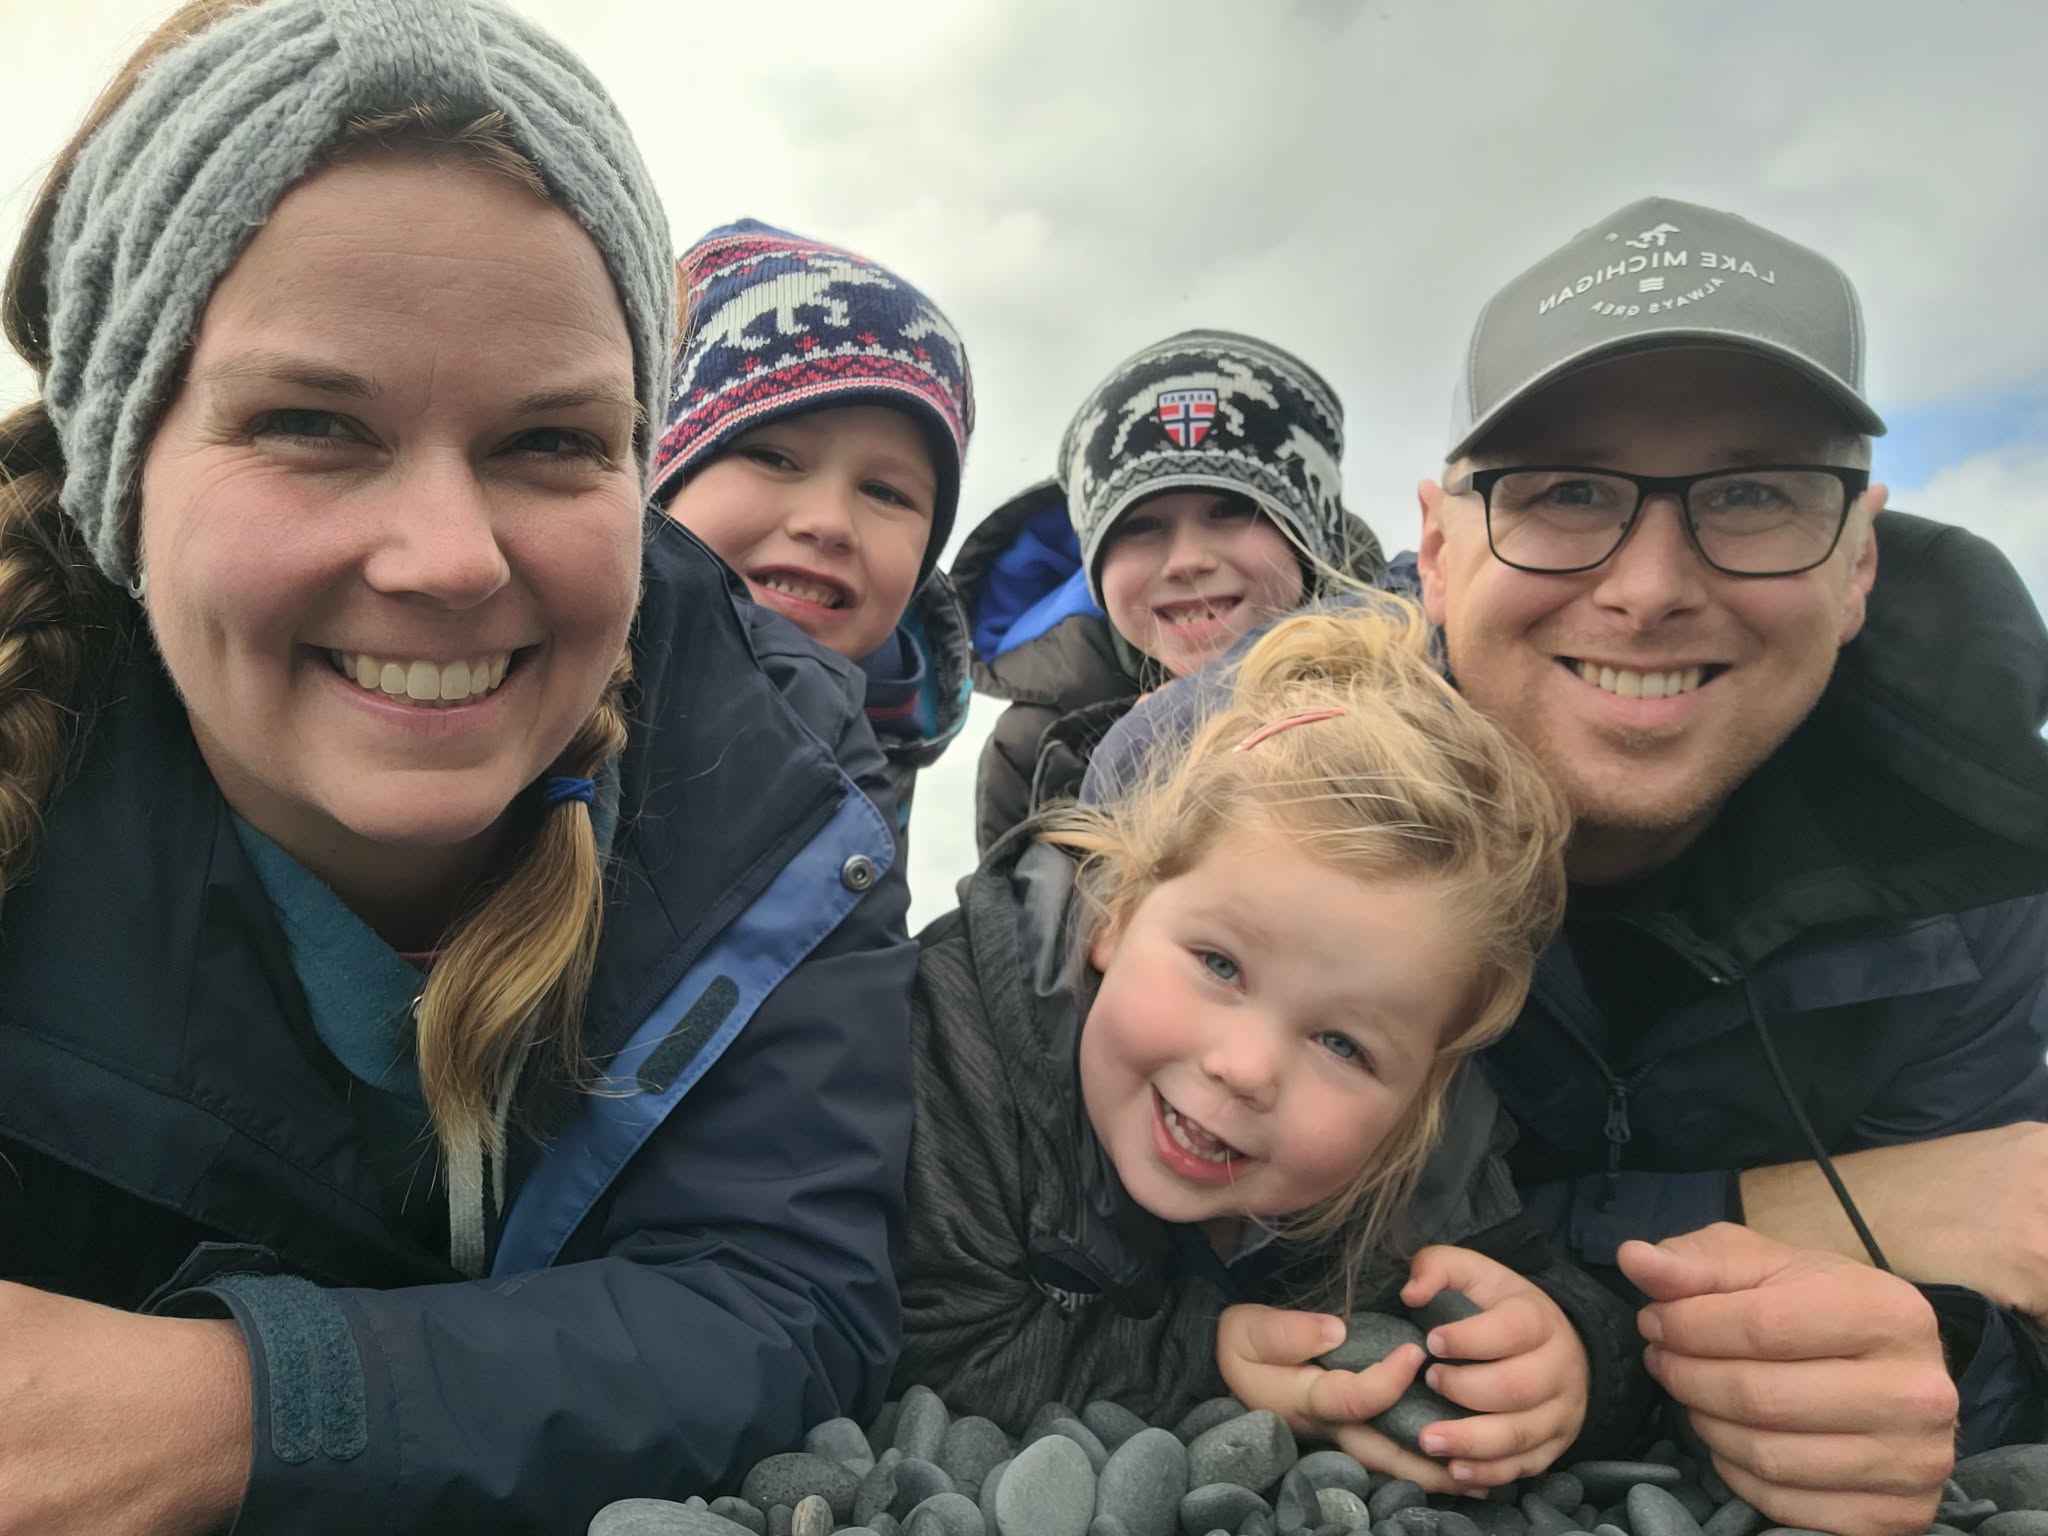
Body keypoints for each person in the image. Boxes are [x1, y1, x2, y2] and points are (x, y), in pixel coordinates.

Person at [0, 2, 913, 1530]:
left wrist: (223, 1413)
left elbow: (785, 1295)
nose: (447, 558)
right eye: (311, 423)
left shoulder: (782, 780)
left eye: (552, 442)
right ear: (119, 468)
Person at [1088, 196, 2048, 1535]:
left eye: (1756, 492)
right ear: (1435, 547)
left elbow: (2013, 1272)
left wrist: (1935, 1352)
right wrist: (1785, 1210)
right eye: (1567, 492)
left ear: (1858, 559)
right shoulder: (1220, 783)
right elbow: (1097, 1234)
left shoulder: (1981, 862)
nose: (1651, 585)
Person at [897, 601, 1656, 1493]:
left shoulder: (1420, 1155)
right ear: (1116, 913)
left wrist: (1570, 1362)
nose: (1246, 1067)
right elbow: (936, 1346)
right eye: (1219, 964)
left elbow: (1549, 1293)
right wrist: (1213, 1363)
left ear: (1423, 1090)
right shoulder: (955, 1041)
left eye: (1342, 1043)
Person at [952, 329, 1383, 854]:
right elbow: (1008, 926)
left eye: (1231, 511)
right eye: (1141, 527)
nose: (1187, 561)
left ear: (1307, 538)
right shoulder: (1035, 746)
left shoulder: (1415, 687)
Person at [652, 219, 975, 843]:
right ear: (660, 476)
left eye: (886, 492)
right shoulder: (540, 703)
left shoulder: (881, 750)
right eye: (774, 458)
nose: (829, 523)